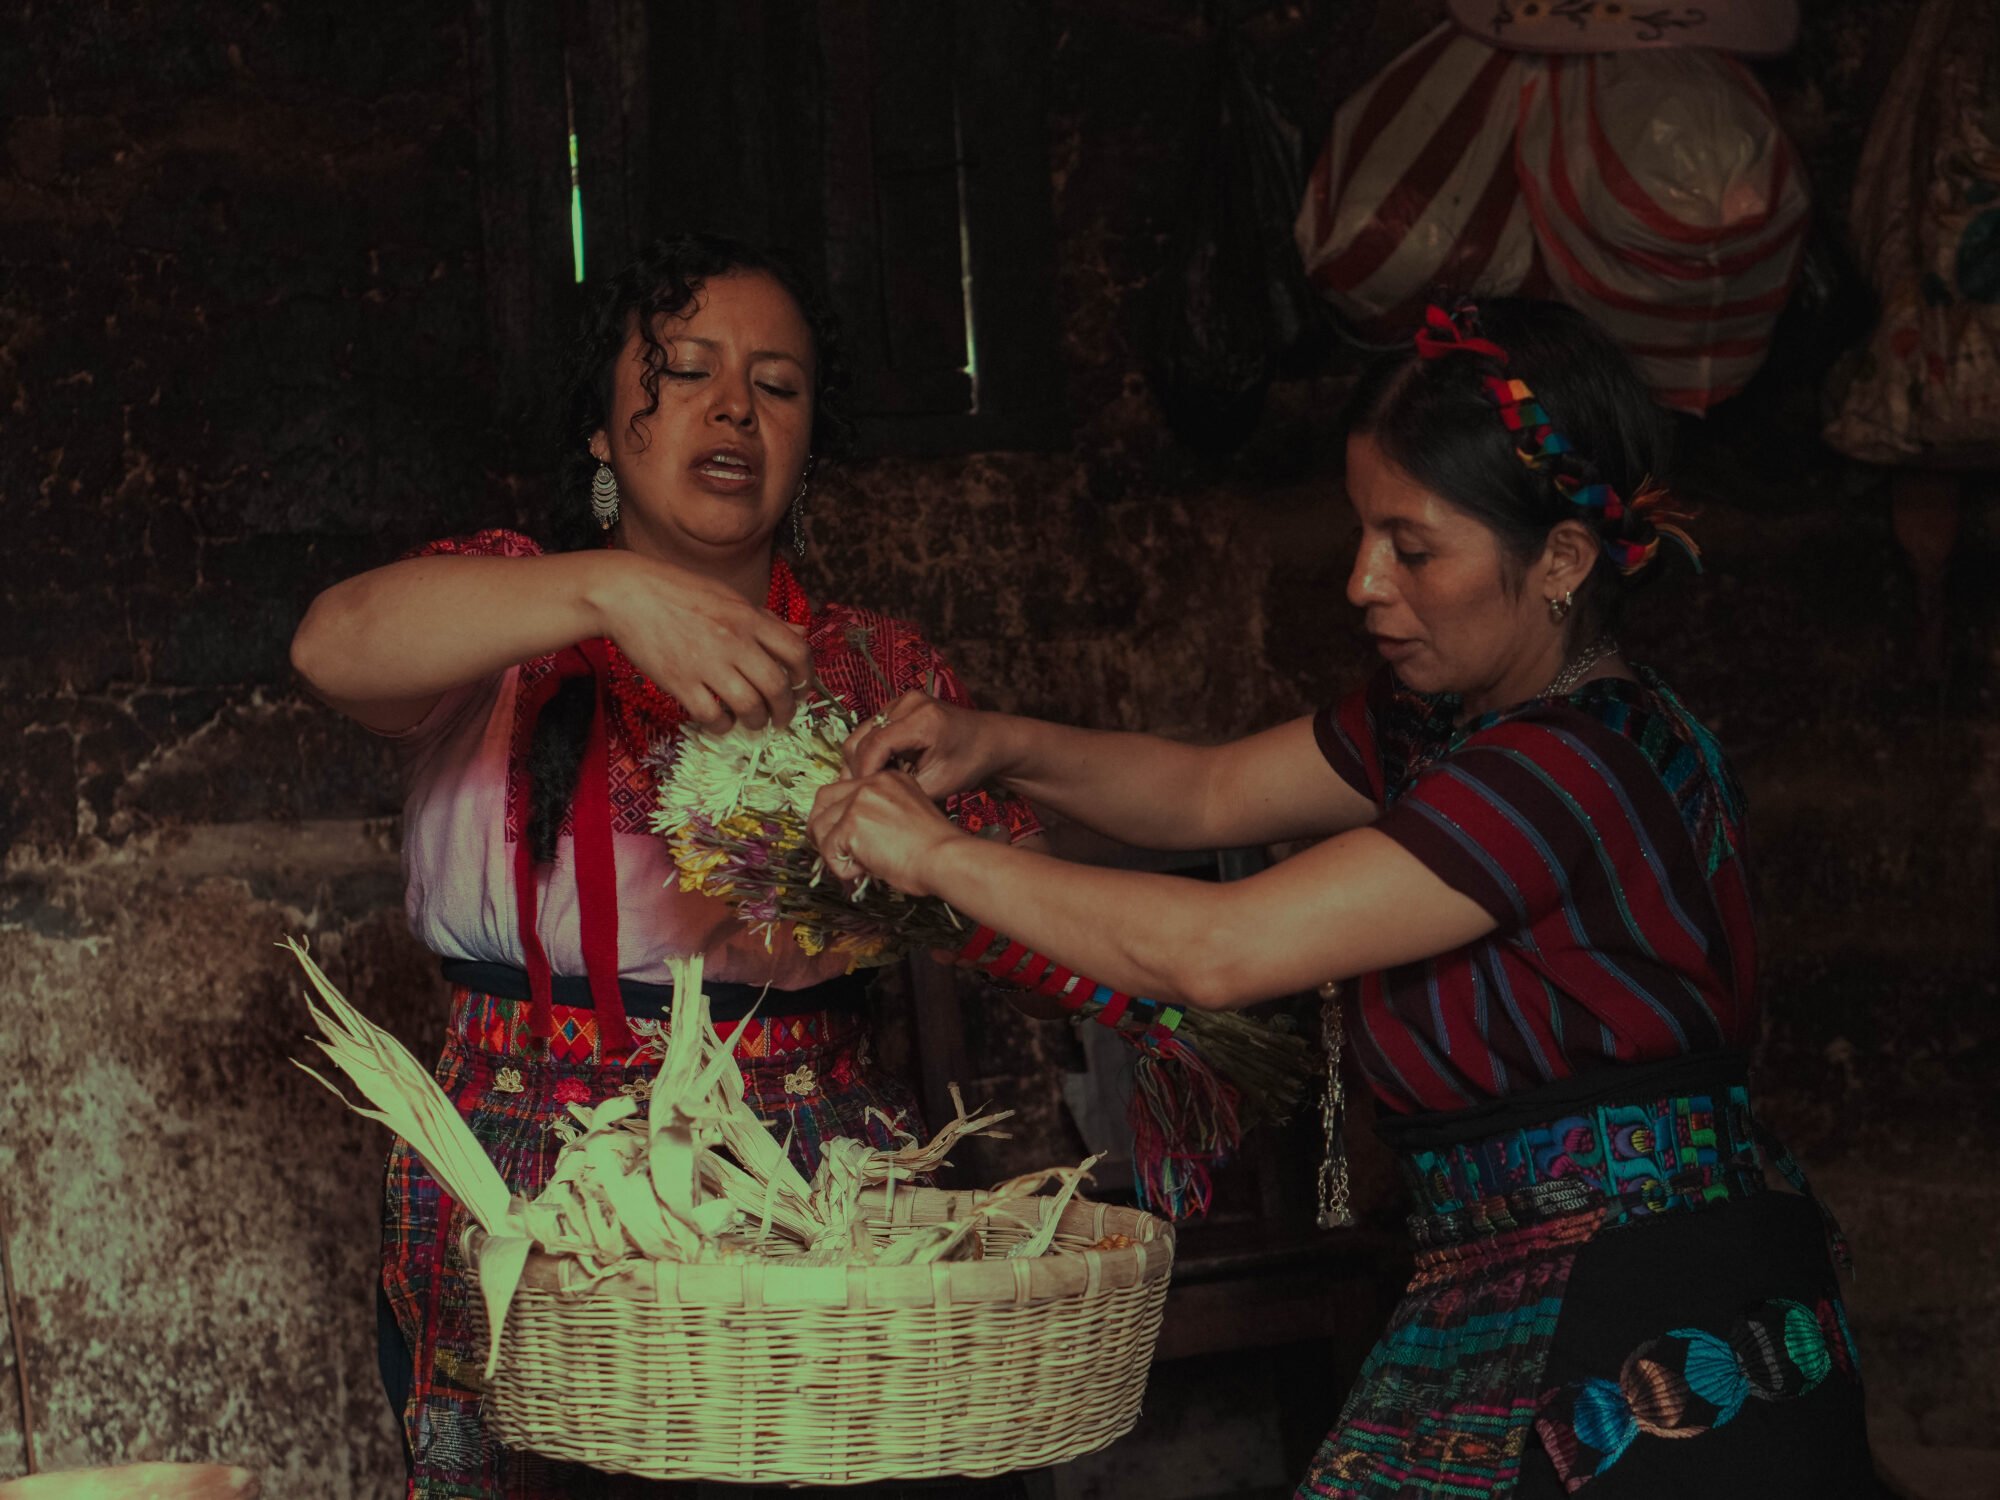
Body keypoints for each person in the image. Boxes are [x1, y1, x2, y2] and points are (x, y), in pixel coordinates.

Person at [813, 299, 1882, 1498]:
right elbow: (1207, 792)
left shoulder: (1564, 766)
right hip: (1504, 1277)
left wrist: (938, 858)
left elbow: (1220, 950)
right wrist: (992, 742)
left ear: (1561, 562)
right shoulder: (1451, 725)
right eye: (1362, 531)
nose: (1363, 580)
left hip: (1640, 1304)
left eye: (1411, 547)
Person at [290, 233, 1038, 1499]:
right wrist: (606, 594)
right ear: (602, 429)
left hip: (801, 1171)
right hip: (522, 1172)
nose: (732, 406)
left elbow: (1002, 898)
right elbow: (331, 645)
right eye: (682, 370)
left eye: (778, 385)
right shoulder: (509, 615)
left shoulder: (868, 671)